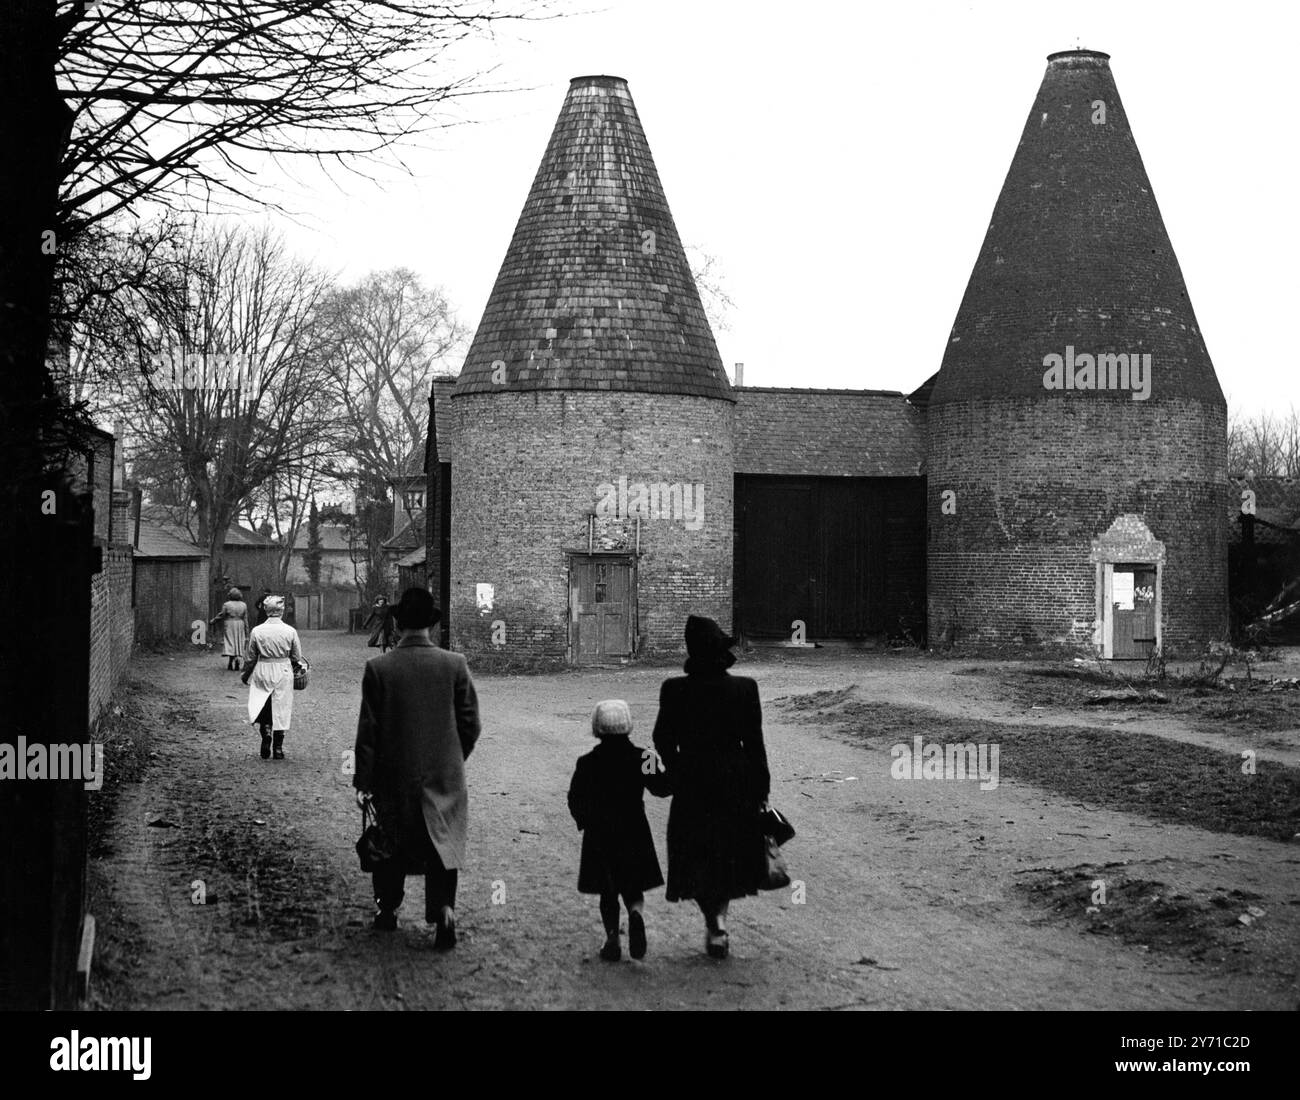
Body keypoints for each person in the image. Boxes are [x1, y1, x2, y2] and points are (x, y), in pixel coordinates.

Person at [353, 587, 481, 946]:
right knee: (444, 843)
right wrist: (452, 759)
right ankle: (443, 912)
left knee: (391, 843)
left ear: (397, 622)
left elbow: (369, 731)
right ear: (430, 625)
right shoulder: (454, 664)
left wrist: (363, 781)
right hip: (445, 776)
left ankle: (388, 909)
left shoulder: (379, 668)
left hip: (393, 776)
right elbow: (470, 723)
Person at [652, 615, 770, 959]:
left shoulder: (674, 689)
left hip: (693, 786)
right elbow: (755, 743)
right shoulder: (745, 688)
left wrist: (677, 769)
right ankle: (719, 921)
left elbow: (662, 738)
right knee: (728, 855)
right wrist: (761, 786)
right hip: (736, 783)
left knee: (696, 855)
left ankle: (712, 920)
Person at [567, 699, 670, 962]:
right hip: (634, 828)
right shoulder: (644, 757)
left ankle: (612, 937)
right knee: (632, 883)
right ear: (628, 726)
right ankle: (635, 914)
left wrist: (584, 820)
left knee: (607, 889)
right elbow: (660, 788)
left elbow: (575, 797)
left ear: (597, 728)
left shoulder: (587, 761)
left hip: (600, 833)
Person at [241, 595, 305, 761]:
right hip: (283, 670)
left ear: (266, 610)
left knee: (264, 704)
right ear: (281, 611)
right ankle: (278, 748)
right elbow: (297, 655)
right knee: (281, 707)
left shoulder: (257, 631)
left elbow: (250, 657)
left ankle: (266, 733)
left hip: (263, 669)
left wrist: (245, 674)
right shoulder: (290, 631)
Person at [215, 587, 248, 671]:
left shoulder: (227, 604)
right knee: (239, 642)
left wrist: (214, 620)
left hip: (229, 624)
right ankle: (237, 660)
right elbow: (245, 618)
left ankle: (231, 662)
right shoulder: (243, 605)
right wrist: (247, 631)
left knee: (231, 642)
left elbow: (222, 615)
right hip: (240, 624)